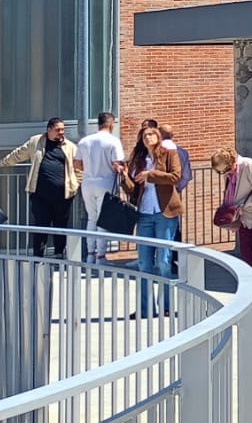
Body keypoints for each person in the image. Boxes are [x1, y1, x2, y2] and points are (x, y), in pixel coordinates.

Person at [121, 121, 184, 317]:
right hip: (145, 214)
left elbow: (175, 176)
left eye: (152, 134)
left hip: (165, 212)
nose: (148, 137)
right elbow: (132, 189)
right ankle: (145, 308)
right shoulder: (138, 159)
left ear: (158, 137)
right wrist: (124, 175)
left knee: (164, 262)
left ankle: (165, 306)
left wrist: (151, 175)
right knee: (144, 263)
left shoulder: (168, 154)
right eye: (145, 135)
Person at [0, 119, 80, 258]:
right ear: (49, 130)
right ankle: (38, 257)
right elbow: (18, 154)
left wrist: (76, 185)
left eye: (63, 129)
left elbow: (78, 168)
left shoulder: (70, 147)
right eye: (58, 130)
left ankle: (59, 254)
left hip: (63, 196)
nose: (61, 133)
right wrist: (1, 163)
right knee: (40, 226)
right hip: (40, 195)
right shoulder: (36, 142)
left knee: (61, 225)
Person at [211, 149, 252, 311]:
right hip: (244, 219)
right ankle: (250, 297)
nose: (225, 174)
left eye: (225, 170)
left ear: (231, 163)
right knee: (247, 258)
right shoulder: (231, 174)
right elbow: (231, 194)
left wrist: (244, 205)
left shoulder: (249, 165)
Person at [76, 112, 125, 261]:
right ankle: (101, 255)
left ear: (98, 123)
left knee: (92, 218)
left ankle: (90, 254)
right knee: (103, 219)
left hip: (88, 182)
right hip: (106, 181)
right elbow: (118, 163)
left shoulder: (84, 141)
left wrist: (90, 169)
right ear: (111, 124)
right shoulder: (113, 141)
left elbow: (77, 163)